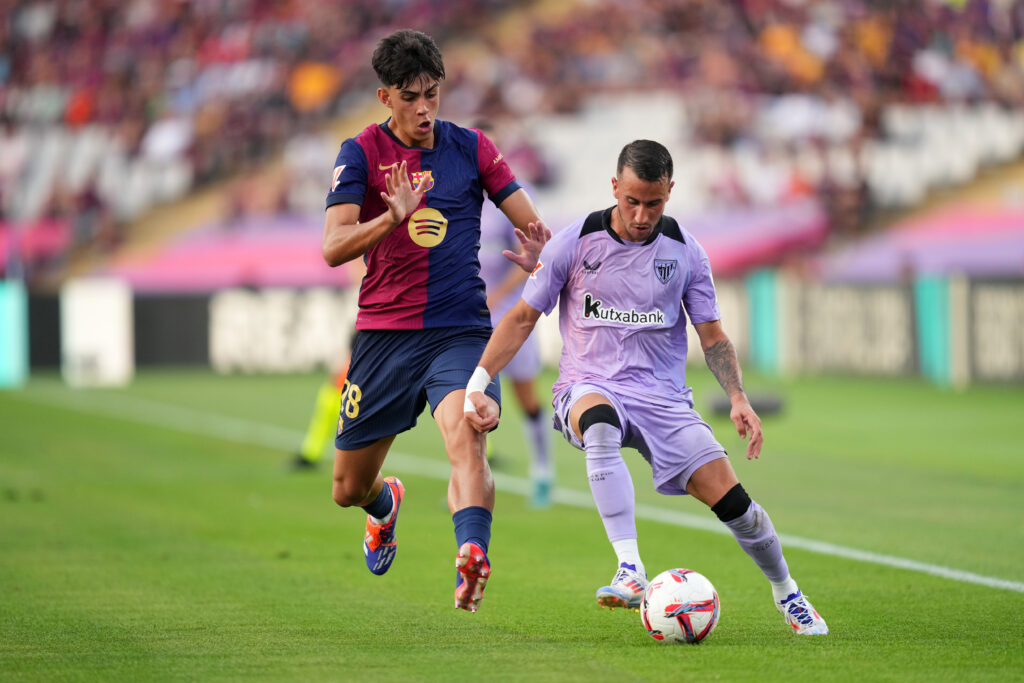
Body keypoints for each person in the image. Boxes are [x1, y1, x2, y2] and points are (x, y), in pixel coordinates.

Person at [465, 140, 828, 635]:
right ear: (614, 187)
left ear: (670, 193)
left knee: (739, 509)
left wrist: (739, 397)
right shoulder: (575, 242)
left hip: (664, 399)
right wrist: (480, 381)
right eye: (631, 200)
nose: (640, 214)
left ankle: (789, 594)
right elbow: (523, 316)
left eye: (653, 203)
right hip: (589, 384)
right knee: (598, 421)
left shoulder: (685, 253)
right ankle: (630, 567)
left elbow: (713, 335)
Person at [322, 29, 548, 613]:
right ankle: (385, 505)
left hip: (461, 331)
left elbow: (532, 225)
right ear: (384, 97)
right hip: (383, 336)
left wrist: (536, 251)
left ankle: (471, 555)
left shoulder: (471, 148)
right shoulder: (361, 153)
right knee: (347, 488)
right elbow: (333, 247)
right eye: (409, 96)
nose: (424, 108)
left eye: (432, 93)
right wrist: (390, 219)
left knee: (466, 437)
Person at [478, 171, 554, 508]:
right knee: (469, 396)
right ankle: (471, 479)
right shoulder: (455, 196)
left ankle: (542, 470)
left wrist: (495, 294)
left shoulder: (511, 198)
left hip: (510, 311)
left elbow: (531, 255)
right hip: (470, 315)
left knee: (526, 398)